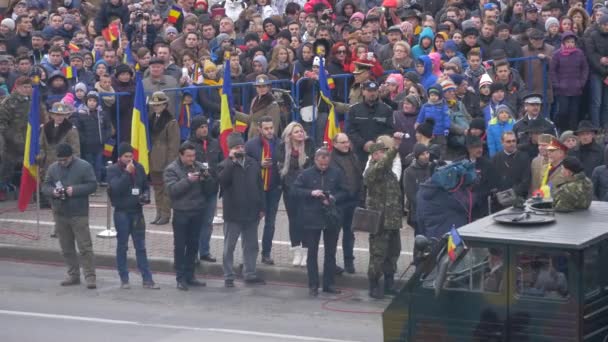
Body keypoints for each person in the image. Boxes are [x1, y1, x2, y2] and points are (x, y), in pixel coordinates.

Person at [293, 147, 348, 296]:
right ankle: (313, 285)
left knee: (330, 253)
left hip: (331, 217)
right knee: (312, 252)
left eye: (326, 164)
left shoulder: (336, 173)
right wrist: (311, 193)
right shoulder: (306, 174)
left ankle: (328, 284)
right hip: (312, 217)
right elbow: (295, 191)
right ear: (316, 160)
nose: (324, 166)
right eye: (321, 164)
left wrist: (333, 198)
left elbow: (345, 191)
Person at [42, 143, 98, 289]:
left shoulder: (84, 166)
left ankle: (90, 276)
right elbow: (45, 186)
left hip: (78, 213)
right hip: (60, 213)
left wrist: (76, 190)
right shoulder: (53, 168)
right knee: (66, 247)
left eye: (65, 160)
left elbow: (93, 185)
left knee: (85, 247)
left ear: (71, 157)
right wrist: (53, 192)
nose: (62, 163)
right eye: (60, 160)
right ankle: (73, 275)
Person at [106, 143, 159, 290]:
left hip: (137, 212)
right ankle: (124, 278)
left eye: (131, 156)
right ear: (120, 157)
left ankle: (147, 279)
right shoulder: (113, 170)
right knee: (122, 246)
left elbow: (145, 186)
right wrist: (127, 173)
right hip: (122, 212)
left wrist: (146, 195)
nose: (129, 160)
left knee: (141, 246)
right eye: (126, 157)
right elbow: (115, 188)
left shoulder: (139, 167)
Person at [217, 133, 266, 288]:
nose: (240, 149)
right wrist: (232, 161)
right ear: (230, 149)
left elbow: (260, 186)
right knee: (229, 246)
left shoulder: (253, 163)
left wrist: (262, 207)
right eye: (236, 147)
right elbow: (222, 182)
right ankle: (228, 275)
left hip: (252, 212)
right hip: (233, 213)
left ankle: (250, 273)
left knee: (251, 245)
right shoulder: (224, 165)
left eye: (241, 146)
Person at [164, 142, 215, 291]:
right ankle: (180, 278)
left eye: (193, 156)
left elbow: (210, 190)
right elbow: (172, 190)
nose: (192, 159)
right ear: (181, 155)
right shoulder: (172, 169)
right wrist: (188, 181)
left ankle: (190, 275)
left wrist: (207, 179)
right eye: (188, 156)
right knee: (180, 246)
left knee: (193, 245)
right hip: (181, 213)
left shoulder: (199, 166)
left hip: (197, 211)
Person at [364, 142, 403, 299]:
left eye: (386, 152)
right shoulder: (372, 171)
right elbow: (382, 165)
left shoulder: (390, 174)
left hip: (392, 221)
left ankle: (389, 283)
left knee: (393, 253)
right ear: (374, 155)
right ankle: (373, 284)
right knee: (378, 254)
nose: (385, 155)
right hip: (379, 222)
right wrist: (394, 148)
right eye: (381, 152)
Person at [276, 122, 316, 267]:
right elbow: (284, 166)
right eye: (297, 132)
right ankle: (296, 251)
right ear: (290, 135)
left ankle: (306, 251)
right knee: (293, 221)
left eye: (301, 131)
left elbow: (311, 166)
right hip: (289, 189)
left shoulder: (310, 145)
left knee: (305, 220)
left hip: (306, 190)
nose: (300, 133)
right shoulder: (283, 148)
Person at [245, 116, 281, 265]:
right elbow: (245, 164)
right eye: (266, 128)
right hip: (258, 188)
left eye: (271, 128)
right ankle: (249, 254)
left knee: (270, 222)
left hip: (274, 188)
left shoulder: (279, 143)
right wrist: (259, 164)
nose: (269, 131)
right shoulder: (251, 145)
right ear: (259, 129)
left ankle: (266, 253)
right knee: (253, 222)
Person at [186, 116, 222, 263]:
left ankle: (204, 251)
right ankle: (193, 253)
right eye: (201, 127)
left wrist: (217, 177)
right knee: (195, 222)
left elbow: (221, 162)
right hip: (195, 190)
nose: (204, 129)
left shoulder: (214, 143)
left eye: (206, 126)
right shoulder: (188, 145)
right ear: (195, 129)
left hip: (211, 189)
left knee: (207, 222)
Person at [330, 132, 363, 274]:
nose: (346, 145)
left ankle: (349, 262)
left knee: (349, 234)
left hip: (353, 201)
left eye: (347, 142)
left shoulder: (353, 156)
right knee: (333, 234)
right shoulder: (331, 159)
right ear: (335, 144)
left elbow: (359, 177)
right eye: (342, 142)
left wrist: (360, 197)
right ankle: (331, 263)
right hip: (338, 202)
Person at [148, 91, 180, 226]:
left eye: (159, 105)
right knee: (157, 188)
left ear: (165, 105)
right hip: (153, 159)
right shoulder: (150, 119)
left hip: (165, 159)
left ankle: (166, 214)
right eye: (154, 105)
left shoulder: (171, 121)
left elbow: (174, 144)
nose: (156, 107)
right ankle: (158, 213)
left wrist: (171, 163)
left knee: (167, 189)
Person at [346, 80, 394, 167]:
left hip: (380, 153)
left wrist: (377, 144)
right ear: (363, 91)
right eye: (369, 91)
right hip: (360, 153)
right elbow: (350, 130)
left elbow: (390, 129)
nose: (372, 93)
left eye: (375, 91)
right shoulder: (354, 110)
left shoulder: (386, 110)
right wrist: (363, 143)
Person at [491, 131, 531, 210]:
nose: (512, 144)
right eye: (508, 141)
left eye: (514, 141)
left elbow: (526, 181)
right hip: (499, 202)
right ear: (502, 142)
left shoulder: (524, 157)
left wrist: (511, 194)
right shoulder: (495, 158)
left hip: (519, 200)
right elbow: (493, 181)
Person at [403, 143, 433, 235]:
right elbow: (410, 194)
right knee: (420, 241)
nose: (426, 156)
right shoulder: (409, 171)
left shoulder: (433, 168)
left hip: (432, 211)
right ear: (417, 156)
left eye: (427, 153)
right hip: (418, 212)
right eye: (422, 154)